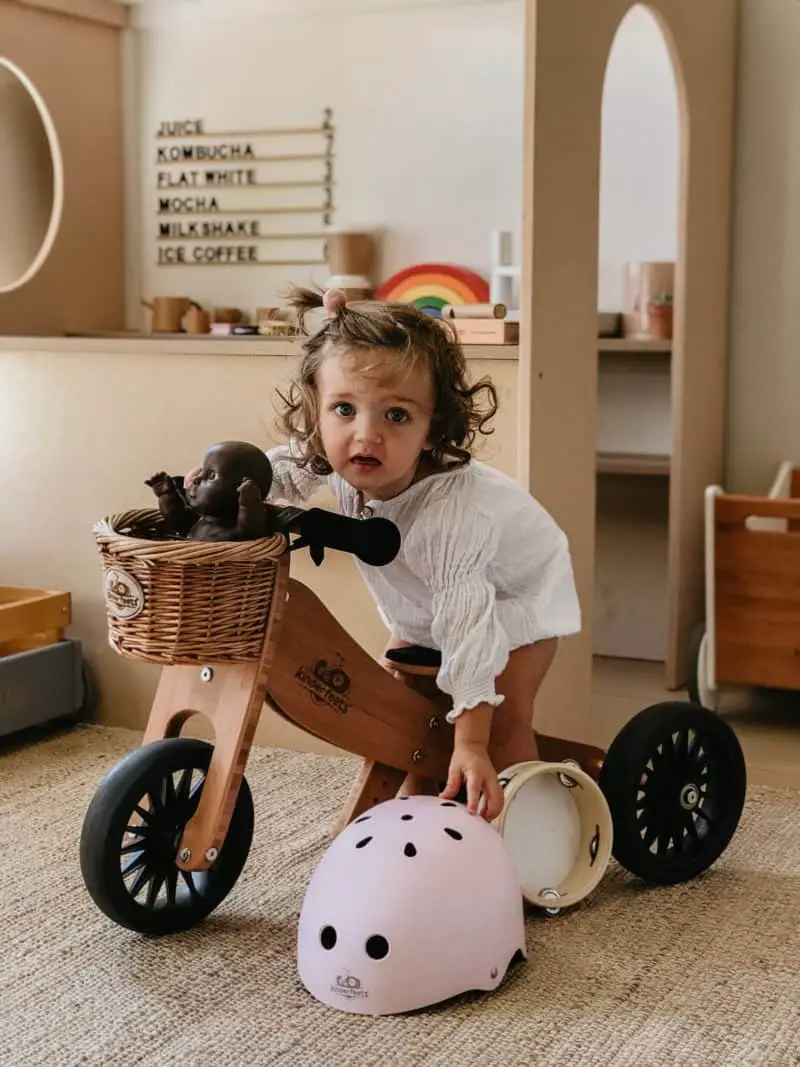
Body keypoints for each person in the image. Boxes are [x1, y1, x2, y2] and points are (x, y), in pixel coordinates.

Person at [191, 287, 581, 820]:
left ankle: (526, 844)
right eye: (344, 409)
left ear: (432, 428)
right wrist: (215, 488)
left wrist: (469, 742)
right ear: (316, 409)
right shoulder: (343, 457)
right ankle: (419, 819)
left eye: (396, 416)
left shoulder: (452, 512)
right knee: (404, 722)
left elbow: (469, 623)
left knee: (501, 727)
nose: (365, 435)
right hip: (423, 604)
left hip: (510, 604)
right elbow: (277, 472)